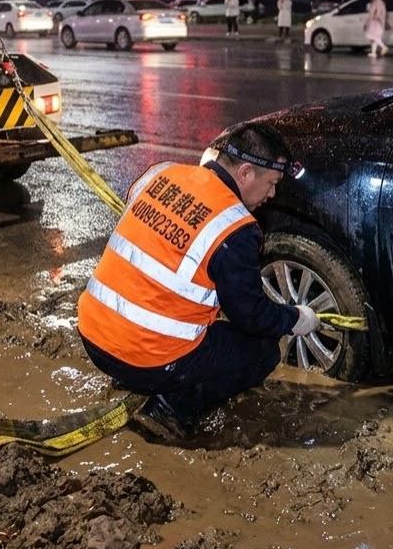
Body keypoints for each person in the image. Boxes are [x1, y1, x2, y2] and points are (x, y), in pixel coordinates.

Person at [77, 123, 319, 441]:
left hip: (94, 335)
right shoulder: (235, 226)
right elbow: (251, 315)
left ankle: (133, 380)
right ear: (246, 173)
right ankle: (170, 408)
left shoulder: (160, 174)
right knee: (261, 351)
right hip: (144, 357)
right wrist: (296, 318)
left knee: (207, 328)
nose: (272, 194)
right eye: (272, 183)